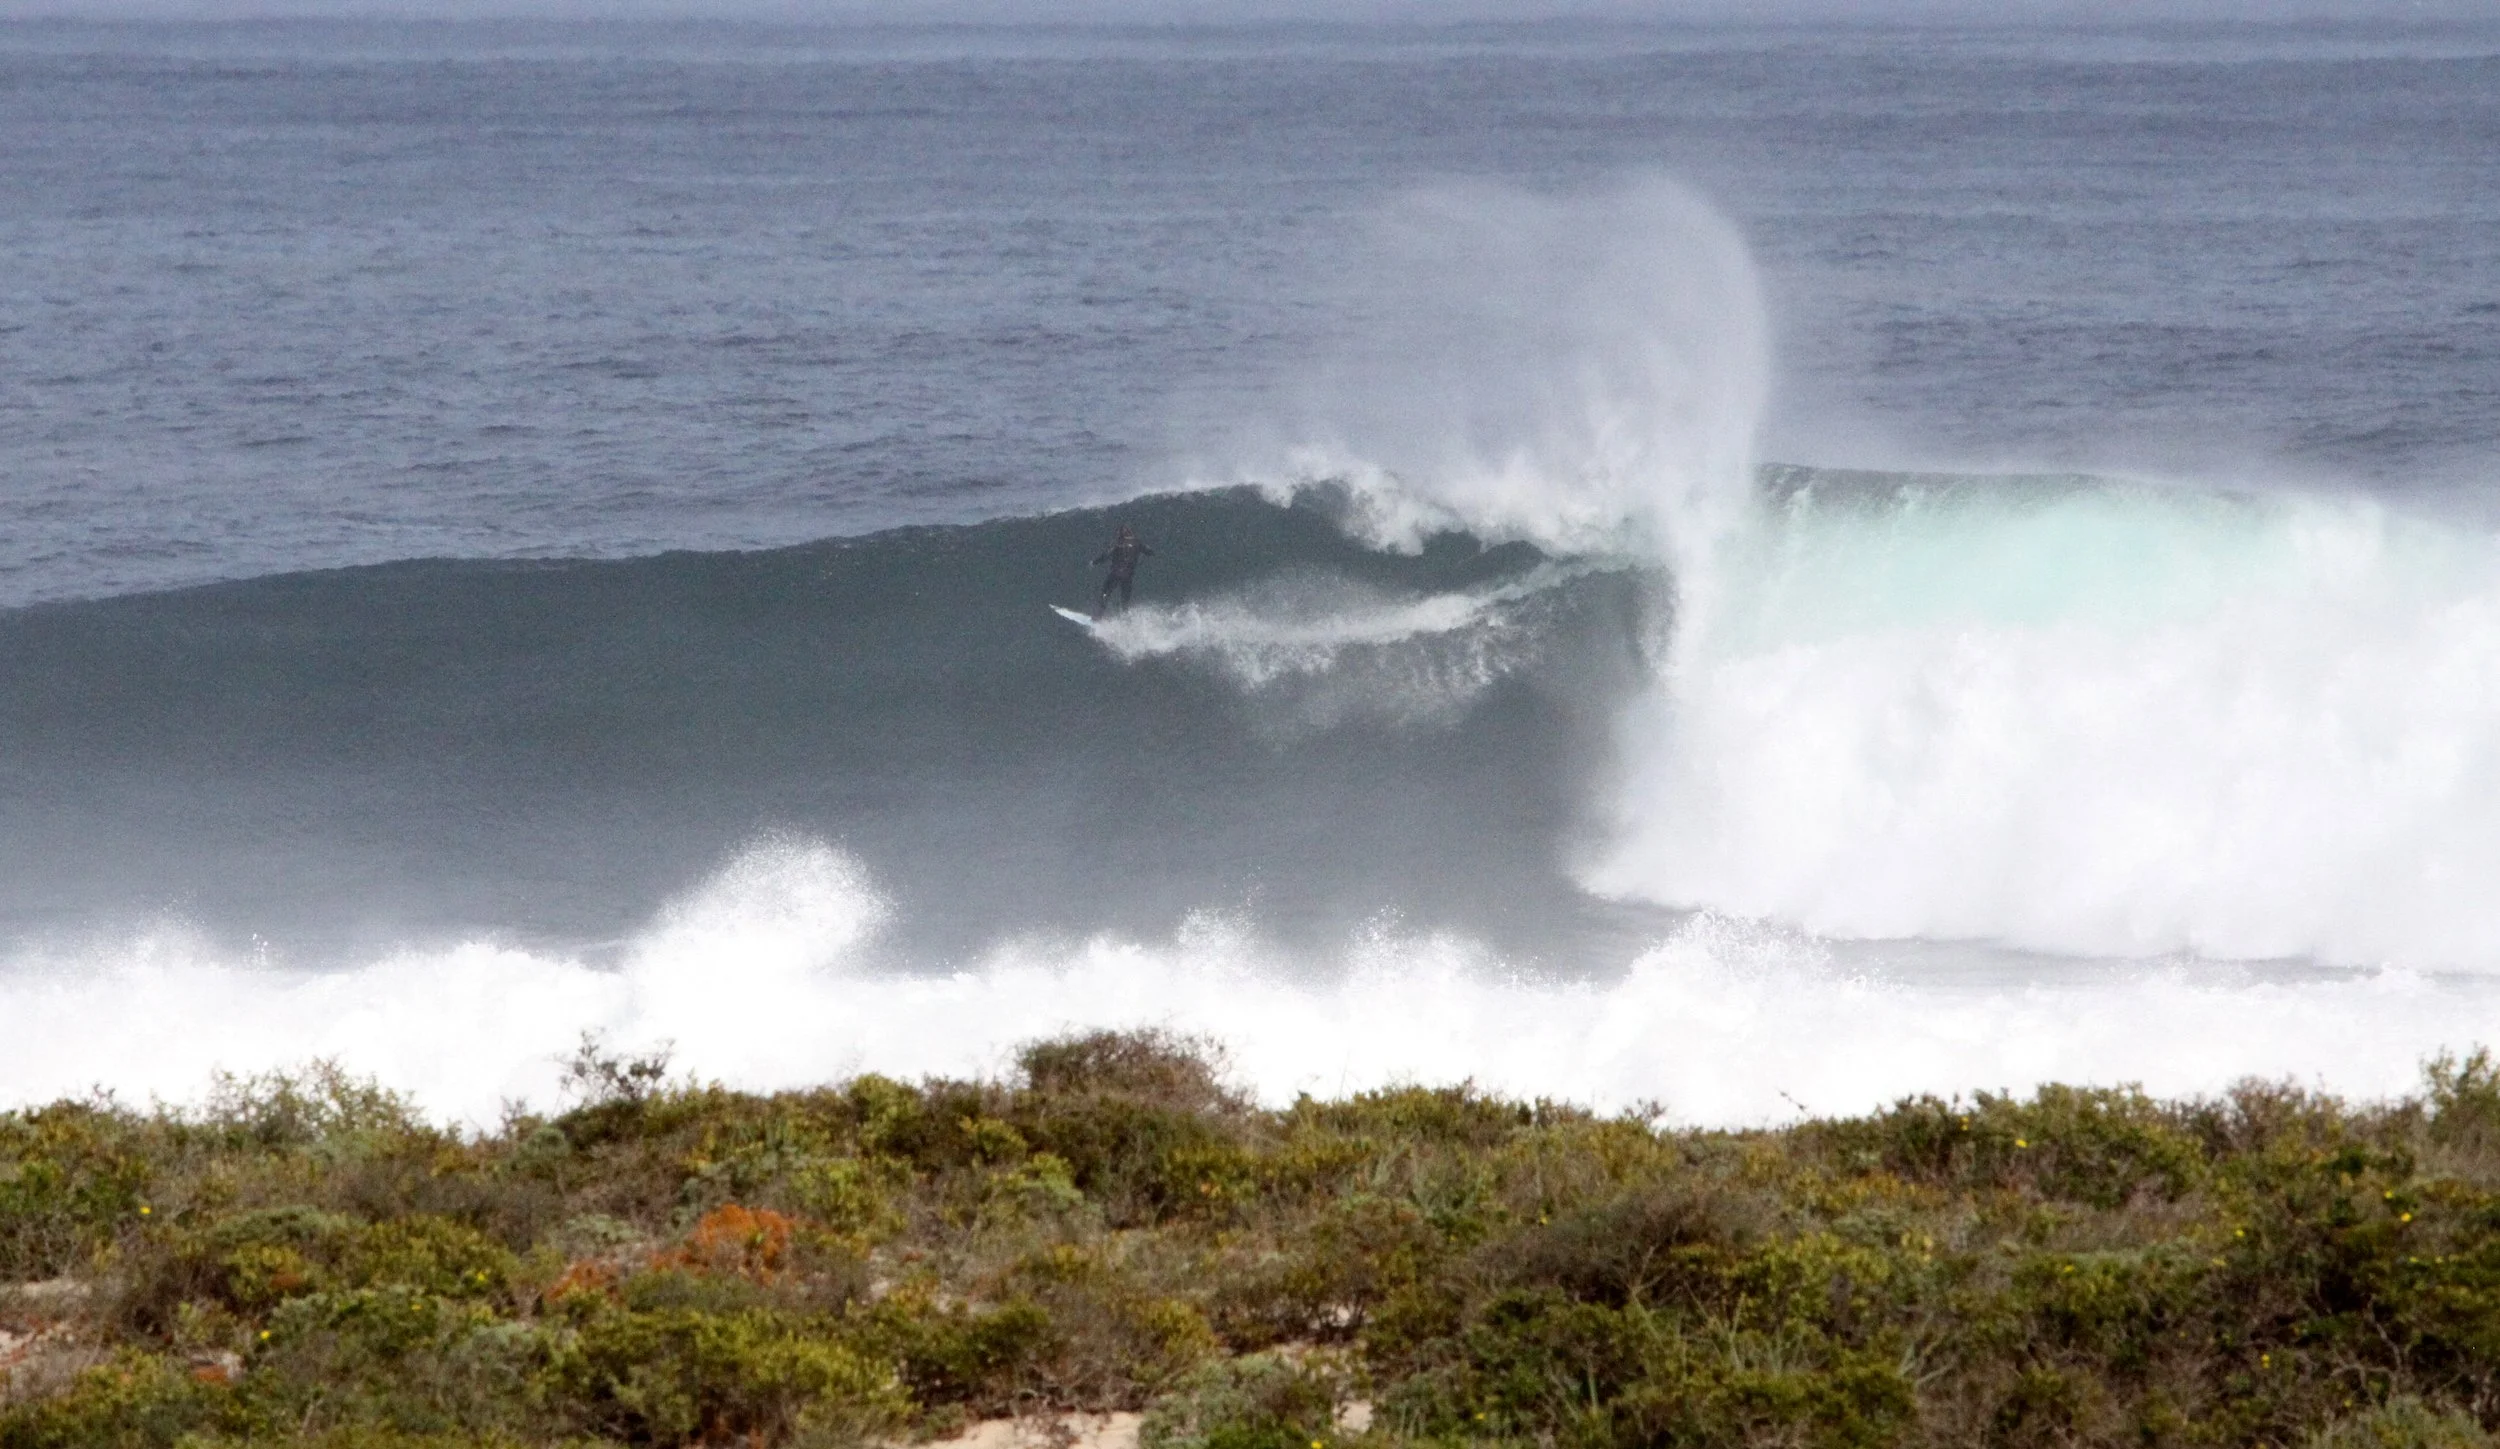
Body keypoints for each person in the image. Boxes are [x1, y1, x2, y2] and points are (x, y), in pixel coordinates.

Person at [1091, 524, 1154, 618]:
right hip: (1128, 576)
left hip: (1115, 574)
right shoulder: (1137, 543)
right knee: (1125, 600)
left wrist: (1094, 562)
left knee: (1105, 594)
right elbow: (1150, 552)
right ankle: (1124, 621)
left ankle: (1097, 617)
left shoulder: (1118, 543)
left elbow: (1106, 555)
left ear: (1120, 534)